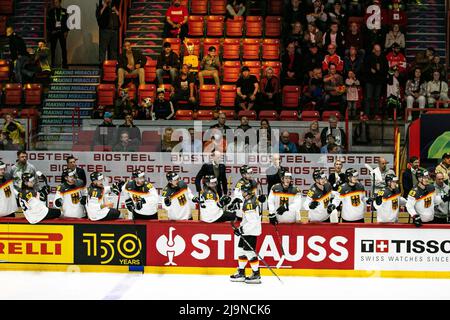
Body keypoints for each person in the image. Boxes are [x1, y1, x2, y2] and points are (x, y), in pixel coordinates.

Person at [230, 182, 265, 284]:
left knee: (249, 252)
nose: (241, 192)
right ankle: (241, 272)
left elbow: (252, 222)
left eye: (242, 190)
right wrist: (237, 205)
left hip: (251, 231)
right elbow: (246, 211)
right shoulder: (250, 200)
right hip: (247, 230)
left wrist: (242, 230)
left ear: (246, 192)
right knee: (241, 250)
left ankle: (256, 274)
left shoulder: (250, 203)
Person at [363, 44, 389, 118]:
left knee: (377, 98)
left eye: (379, 51)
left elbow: (386, 69)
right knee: (368, 98)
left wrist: (379, 70)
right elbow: (364, 68)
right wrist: (370, 70)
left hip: (379, 81)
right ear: (373, 50)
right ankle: (366, 115)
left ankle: (376, 115)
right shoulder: (368, 58)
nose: (378, 52)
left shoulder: (383, 58)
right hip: (370, 80)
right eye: (377, 51)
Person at [47, 0, 69, 68]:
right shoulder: (51, 11)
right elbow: (49, 22)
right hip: (54, 32)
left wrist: (66, 31)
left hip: (62, 32)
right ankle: (52, 63)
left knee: (63, 48)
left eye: (57, 2)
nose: (55, 4)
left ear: (60, 2)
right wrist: (51, 31)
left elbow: (67, 23)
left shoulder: (64, 11)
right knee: (53, 49)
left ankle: (65, 63)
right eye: (54, 2)